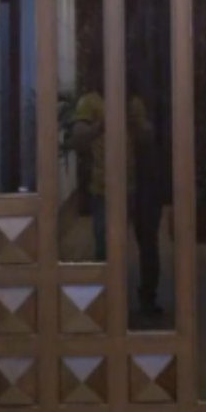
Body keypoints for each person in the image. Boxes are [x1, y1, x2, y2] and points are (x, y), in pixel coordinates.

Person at [71, 79, 163, 316]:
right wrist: (100, 126)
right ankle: (109, 302)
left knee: (148, 245)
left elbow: (148, 135)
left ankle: (148, 299)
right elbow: (77, 137)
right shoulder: (89, 102)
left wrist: (135, 122)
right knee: (106, 246)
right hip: (104, 189)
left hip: (138, 188)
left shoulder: (133, 102)